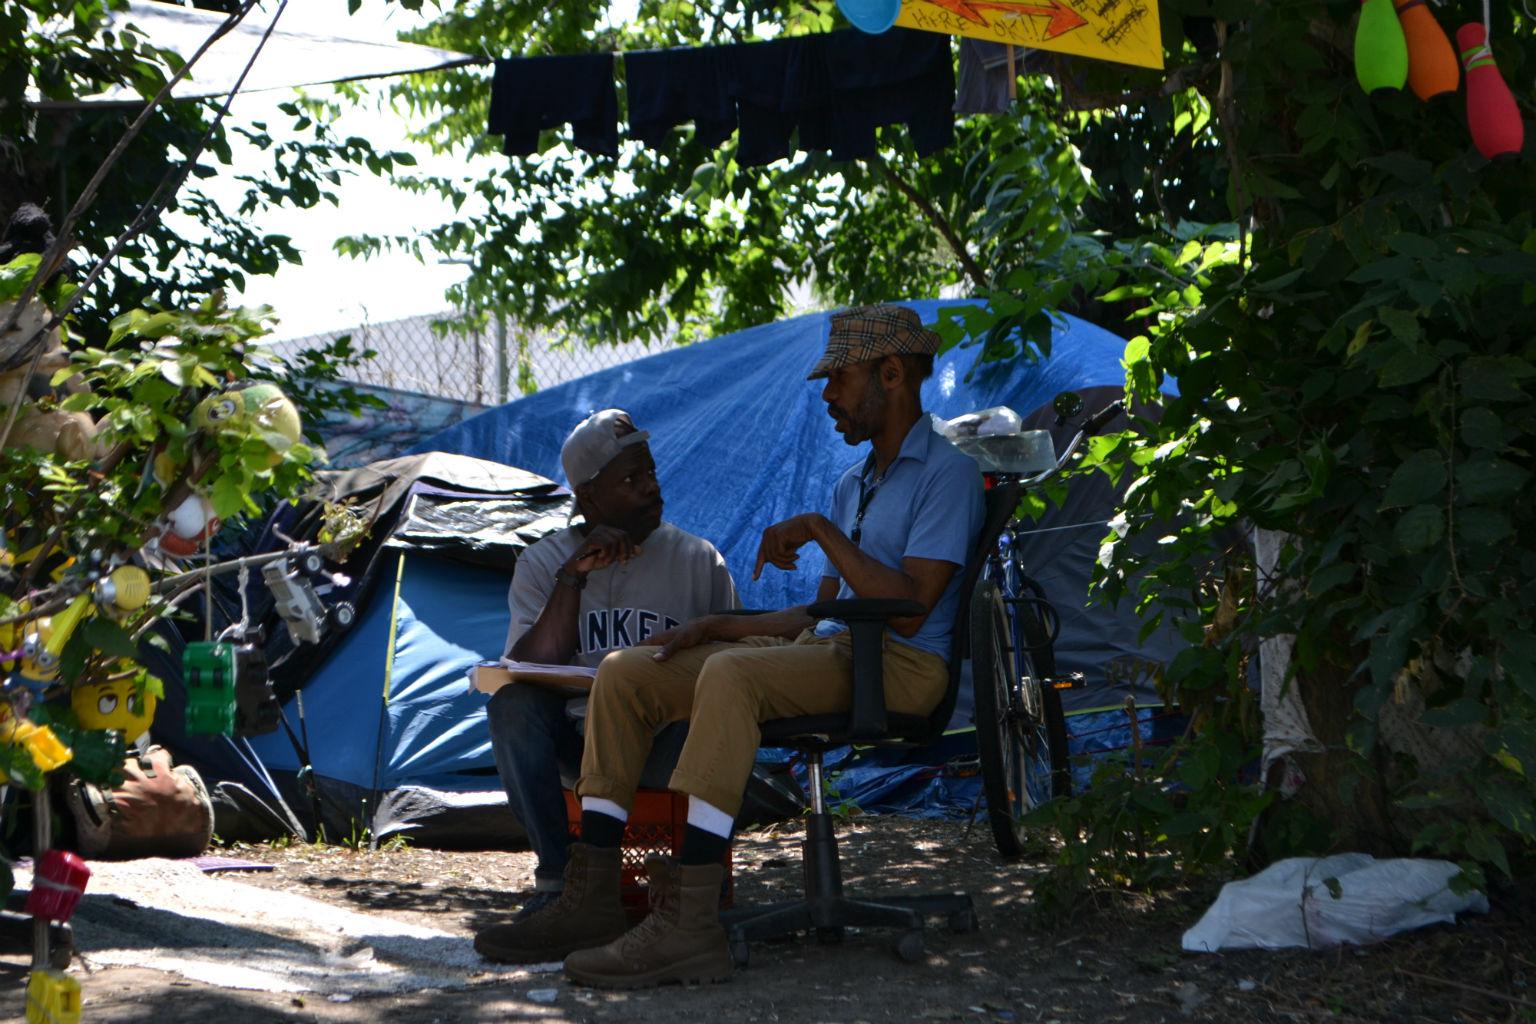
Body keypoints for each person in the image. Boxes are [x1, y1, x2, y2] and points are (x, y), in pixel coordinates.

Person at [486, 305, 985, 988]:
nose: (828, 397)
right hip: (839, 652)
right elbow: (828, 614)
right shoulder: (854, 483)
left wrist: (816, 528)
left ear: (891, 374)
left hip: (904, 668)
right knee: (629, 671)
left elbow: (908, 608)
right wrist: (714, 627)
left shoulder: (947, 473)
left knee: (731, 677)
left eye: (838, 380)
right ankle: (592, 897)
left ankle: (689, 925)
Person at [474, 408, 737, 964]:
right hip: (581, 744)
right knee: (512, 705)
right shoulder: (544, 561)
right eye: (630, 480)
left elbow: (732, 672)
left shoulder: (697, 559)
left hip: (666, 745)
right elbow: (531, 666)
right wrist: (573, 578)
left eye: (651, 474)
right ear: (588, 497)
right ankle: (558, 886)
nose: (650, 489)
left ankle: (689, 885)